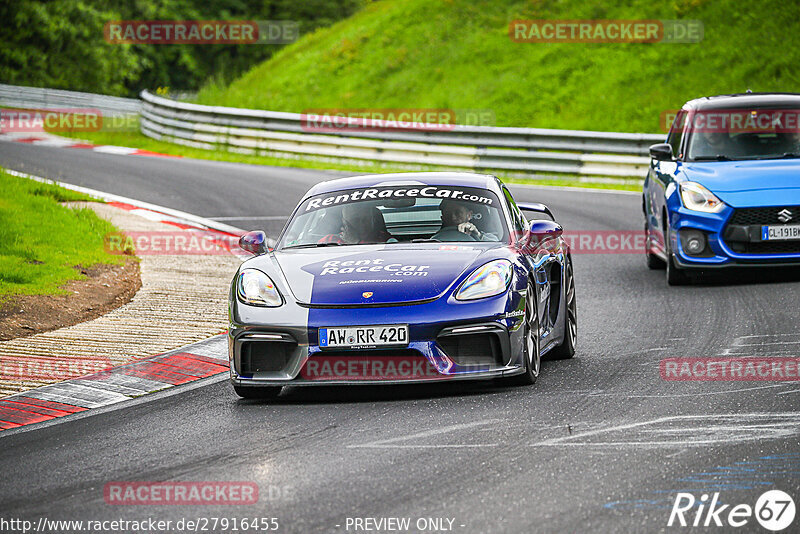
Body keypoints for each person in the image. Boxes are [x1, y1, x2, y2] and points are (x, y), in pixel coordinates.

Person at [318, 203, 391, 244]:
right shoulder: (329, 240)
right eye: (356, 220)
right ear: (344, 222)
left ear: (373, 220)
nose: (362, 224)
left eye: (366, 219)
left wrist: (355, 242)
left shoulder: (385, 239)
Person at [431, 199, 496, 241]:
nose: (453, 217)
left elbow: (497, 247)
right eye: (448, 213)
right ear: (442, 217)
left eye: (458, 213)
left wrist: (478, 235)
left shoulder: (482, 236)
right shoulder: (433, 240)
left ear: (469, 215)